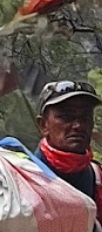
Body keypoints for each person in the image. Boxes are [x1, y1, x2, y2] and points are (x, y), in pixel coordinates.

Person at [36, 78, 99, 208]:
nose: (78, 126)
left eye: (85, 117)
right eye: (66, 117)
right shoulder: (24, 174)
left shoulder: (97, 177)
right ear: (43, 125)